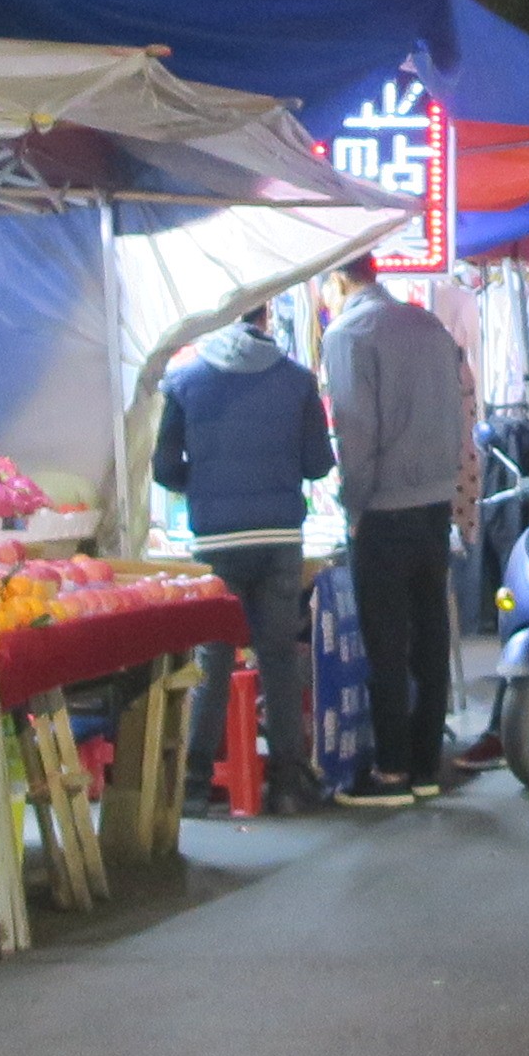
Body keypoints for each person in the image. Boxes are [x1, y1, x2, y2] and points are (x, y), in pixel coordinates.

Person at [153, 305, 337, 814]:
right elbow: (319, 464)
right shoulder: (297, 380)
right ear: (266, 319)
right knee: (278, 656)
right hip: (279, 535)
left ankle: (193, 786)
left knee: (214, 658)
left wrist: (208, 487)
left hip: (215, 542)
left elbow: (165, 467)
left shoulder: (184, 381)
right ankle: (287, 784)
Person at [319, 259, 474, 805]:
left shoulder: (348, 333)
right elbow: (458, 415)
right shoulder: (427, 324)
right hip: (434, 502)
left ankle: (390, 773)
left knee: (386, 643)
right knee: (429, 634)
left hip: (383, 508)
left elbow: (354, 432)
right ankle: (427, 768)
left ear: (338, 282)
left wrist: (352, 505)